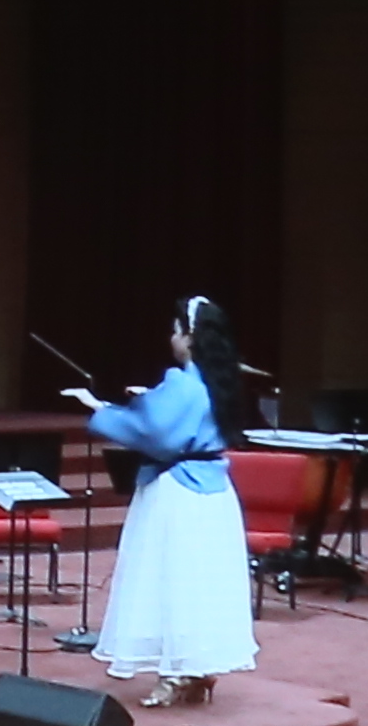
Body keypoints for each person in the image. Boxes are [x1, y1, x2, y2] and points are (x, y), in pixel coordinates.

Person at [85, 294, 258, 696]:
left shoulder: (182, 383)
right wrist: (149, 401)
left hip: (178, 491)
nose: (171, 337)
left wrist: (101, 410)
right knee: (203, 580)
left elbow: (158, 435)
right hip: (215, 491)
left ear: (190, 337)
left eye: (176, 330)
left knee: (170, 579)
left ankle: (174, 672)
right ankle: (197, 667)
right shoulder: (222, 381)